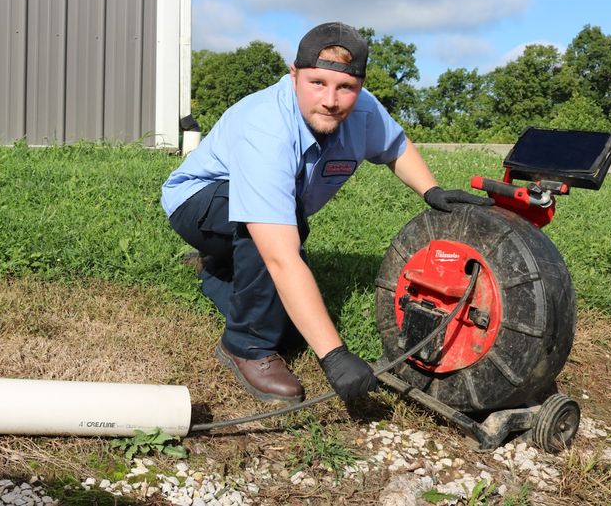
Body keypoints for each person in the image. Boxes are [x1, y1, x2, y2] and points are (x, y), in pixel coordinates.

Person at [161, 22, 492, 405]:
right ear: (294, 74)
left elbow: (395, 145)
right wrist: (334, 357)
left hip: (261, 211)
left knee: (288, 329)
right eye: (317, 83)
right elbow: (281, 257)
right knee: (274, 240)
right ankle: (245, 347)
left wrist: (431, 190)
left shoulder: (365, 111)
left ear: (361, 85)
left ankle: (217, 269)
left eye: (345, 88)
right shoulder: (266, 127)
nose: (331, 100)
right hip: (197, 202)